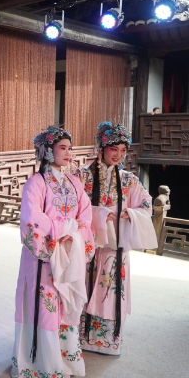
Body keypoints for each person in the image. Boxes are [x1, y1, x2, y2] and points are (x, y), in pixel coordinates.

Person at [11, 126, 94, 378]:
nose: (68, 153)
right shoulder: (35, 183)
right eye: (62, 148)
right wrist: (62, 230)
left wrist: (76, 235)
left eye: (70, 148)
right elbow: (31, 217)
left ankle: (66, 360)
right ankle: (42, 363)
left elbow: (85, 216)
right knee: (45, 306)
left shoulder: (74, 183)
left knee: (66, 306)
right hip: (44, 257)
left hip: (69, 253)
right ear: (48, 151)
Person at [75, 122, 157, 356]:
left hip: (114, 245)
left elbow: (146, 203)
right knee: (83, 284)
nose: (119, 155)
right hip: (89, 242)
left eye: (123, 150)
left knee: (110, 289)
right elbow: (71, 207)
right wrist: (99, 213)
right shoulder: (82, 176)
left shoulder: (128, 179)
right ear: (101, 148)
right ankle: (79, 335)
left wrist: (130, 213)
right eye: (114, 149)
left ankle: (107, 339)